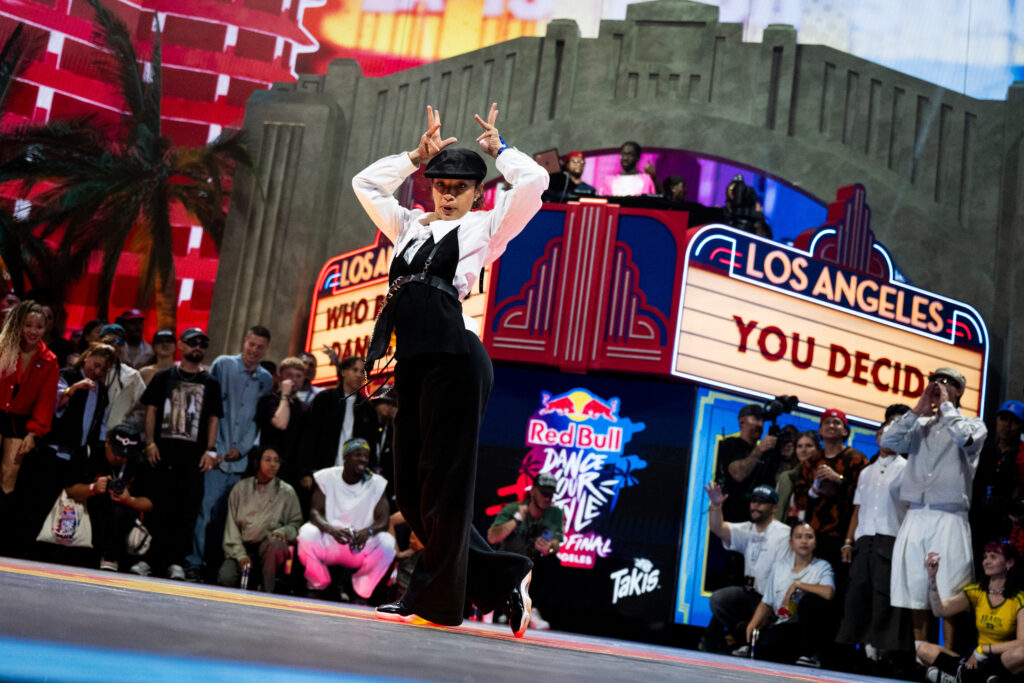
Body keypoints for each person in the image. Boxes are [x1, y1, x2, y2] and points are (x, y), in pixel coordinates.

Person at [352, 103, 545, 635]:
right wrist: (415, 156)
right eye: (439, 181)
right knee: (413, 493)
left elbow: (535, 182)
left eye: (459, 184)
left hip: (458, 362)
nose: (447, 190)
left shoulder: (487, 227)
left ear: (477, 192)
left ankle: (434, 601)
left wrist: (499, 150)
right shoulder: (408, 225)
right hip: (414, 363)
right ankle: (505, 574)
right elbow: (365, 184)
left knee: (448, 486)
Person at [883, 367, 987, 644]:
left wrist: (946, 407)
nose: (938, 385)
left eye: (946, 382)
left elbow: (964, 439)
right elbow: (888, 441)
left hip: (949, 515)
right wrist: (917, 409)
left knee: (950, 587)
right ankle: (922, 655)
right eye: (934, 381)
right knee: (916, 587)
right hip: (917, 514)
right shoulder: (918, 425)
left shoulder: (974, 424)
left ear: (958, 391)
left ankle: (948, 658)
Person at [189, 325, 273, 580]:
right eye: (251, 344)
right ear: (244, 341)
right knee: (204, 513)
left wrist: (243, 448)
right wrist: (215, 448)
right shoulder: (223, 364)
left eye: (260, 346)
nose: (254, 350)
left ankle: (217, 567)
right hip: (215, 456)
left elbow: (259, 420)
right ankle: (194, 563)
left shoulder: (266, 379)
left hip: (240, 461)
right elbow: (210, 407)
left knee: (228, 518)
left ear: (265, 349)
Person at [17, 343, 118, 555]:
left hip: (77, 455)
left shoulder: (102, 391)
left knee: (64, 505)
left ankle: (49, 551)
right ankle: (21, 547)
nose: (97, 371)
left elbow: (100, 424)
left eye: (103, 369)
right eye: (95, 365)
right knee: (36, 500)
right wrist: (75, 389)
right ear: (88, 357)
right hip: (51, 450)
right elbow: (53, 406)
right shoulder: (66, 375)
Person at [140, 327, 223, 580]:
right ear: (182, 345)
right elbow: (151, 410)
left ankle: (177, 561)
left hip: (192, 459)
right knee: (158, 510)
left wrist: (210, 449)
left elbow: (213, 418)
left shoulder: (210, 382)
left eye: (202, 343)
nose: (197, 347)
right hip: (163, 455)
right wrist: (150, 443)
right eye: (192, 342)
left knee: (186, 514)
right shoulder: (163, 377)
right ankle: (150, 560)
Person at [836, 404, 914, 664]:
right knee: (858, 592)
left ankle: (883, 651)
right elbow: (858, 508)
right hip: (864, 538)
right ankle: (857, 649)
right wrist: (848, 541)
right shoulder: (866, 471)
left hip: (891, 537)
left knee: (884, 597)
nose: (888, 437)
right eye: (883, 432)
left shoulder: (907, 468)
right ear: (877, 436)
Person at [296, 438, 395, 601]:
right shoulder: (327, 476)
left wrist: (368, 531)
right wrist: (332, 530)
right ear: (345, 457)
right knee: (307, 532)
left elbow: (383, 521)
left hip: (360, 543)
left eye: (366, 456)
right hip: (331, 538)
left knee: (387, 544)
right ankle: (318, 583)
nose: (363, 459)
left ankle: (360, 591)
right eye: (358, 454)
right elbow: (314, 513)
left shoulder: (377, 483)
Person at [701, 482, 790, 655]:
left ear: (774, 508)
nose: (756, 505)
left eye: (762, 502)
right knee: (719, 599)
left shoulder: (783, 533)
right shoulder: (747, 529)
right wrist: (716, 505)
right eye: (754, 500)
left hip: (771, 599)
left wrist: (771, 605)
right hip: (750, 594)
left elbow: (783, 576)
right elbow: (718, 528)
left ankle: (753, 638)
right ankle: (743, 637)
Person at [918, 541, 1024, 683]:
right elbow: (939, 611)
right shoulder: (976, 591)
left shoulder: (1019, 598)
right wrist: (932, 577)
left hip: (1002, 659)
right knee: (923, 649)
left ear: (1009, 563)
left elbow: (1021, 642)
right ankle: (977, 677)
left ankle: (960, 677)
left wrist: (983, 650)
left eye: (993, 557)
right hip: (974, 659)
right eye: (985, 557)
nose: (986, 562)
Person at [64, 424, 155, 572]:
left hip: (120, 529)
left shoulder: (139, 462)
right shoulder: (89, 454)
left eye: (126, 455)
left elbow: (150, 503)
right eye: (116, 452)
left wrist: (129, 500)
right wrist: (92, 489)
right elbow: (70, 490)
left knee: (119, 511)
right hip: (85, 524)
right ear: (107, 441)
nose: (120, 458)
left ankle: (111, 556)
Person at [745, 522, 836, 666]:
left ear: (815, 543)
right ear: (791, 543)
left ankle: (812, 654)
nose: (804, 541)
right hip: (786, 623)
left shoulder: (822, 566)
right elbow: (766, 602)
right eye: (799, 537)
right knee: (765, 647)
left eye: (809, 537)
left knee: (811, 600)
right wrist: (752, 624)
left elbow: (829, 592)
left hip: (809, 627)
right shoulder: (779, 566)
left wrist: (797, 585)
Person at [792, 408, 868, 572]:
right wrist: (815, 489)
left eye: (836, 422)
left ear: (845, 430)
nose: (831, 425)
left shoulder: (858, 460)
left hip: (845, 535)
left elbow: (864, 498)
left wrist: (839, 480)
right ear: (820, 430)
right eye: (826, 422)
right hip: (814, 535)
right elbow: (799, 500)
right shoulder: (811, 462)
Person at [487, 472, 565, 630]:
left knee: (552, 562)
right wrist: (516, 519)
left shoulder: (555, 513)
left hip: (531, 564)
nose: (547, 498)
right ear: (533, 491)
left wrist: (548, 547)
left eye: (550, 494)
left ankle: (532, 610)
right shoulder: (513, 509)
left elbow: (556, 543)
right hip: (508, 562)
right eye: (544, 493)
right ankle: (507, 608)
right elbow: (492, 537)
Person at [218, 446, 302, 593]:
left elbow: (296, 524)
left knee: (274, 545)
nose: (273, 464)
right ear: (257, 463)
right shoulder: (240, 489)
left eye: (277, 461)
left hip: (269, 548)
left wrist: (283, 531)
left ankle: (267, 592)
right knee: (226, 577)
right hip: (244, 547)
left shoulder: (286, 491)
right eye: (268, 460)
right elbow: (232, 527)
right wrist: (240, 555)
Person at [0, 301, 58, 496]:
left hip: (19, 421)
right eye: (28, 325)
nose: (33, 331)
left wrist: (33, 433)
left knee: (9, 475)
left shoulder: (49, 360)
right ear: (20, 325)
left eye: (39, 327)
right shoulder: (3, 347)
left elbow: (46, 402)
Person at [971, 400, 1024, 567]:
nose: (1007, 425)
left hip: (1006, 527)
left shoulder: (1021, 456)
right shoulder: (984, 451)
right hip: (977, 523)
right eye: (1003, 418)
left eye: (1014, 421)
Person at [255, 357, 310, 515]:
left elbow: (307, 443)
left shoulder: (305, 408)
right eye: (289, 375)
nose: (293, 379)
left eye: (298, 375)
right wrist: (285, 395)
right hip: (270, 468)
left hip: (293, 473)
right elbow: (280, 423)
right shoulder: (269, 401)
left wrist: (305, 472)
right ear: (280, 377)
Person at [715, 404, 777, 523]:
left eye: (762, 421)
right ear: (742, 422)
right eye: (755, 419)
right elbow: (738, 474)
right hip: (731, 517)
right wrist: (759, 449)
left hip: (757, 519)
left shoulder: (766, 454)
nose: (760, 425)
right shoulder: (729, 444)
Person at [98, 324, 146, 432]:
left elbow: (141, 407)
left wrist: (127, 428)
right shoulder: (89, 369)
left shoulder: (132, 375)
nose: (114, 346)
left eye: (120, 342)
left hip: (116, 435)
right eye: (109, 341)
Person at [776, 431, 822, 523]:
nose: (803, 450)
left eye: (809, 446)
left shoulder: (823, 477)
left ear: (818, 449)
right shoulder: (785, 477)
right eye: (799, 446)